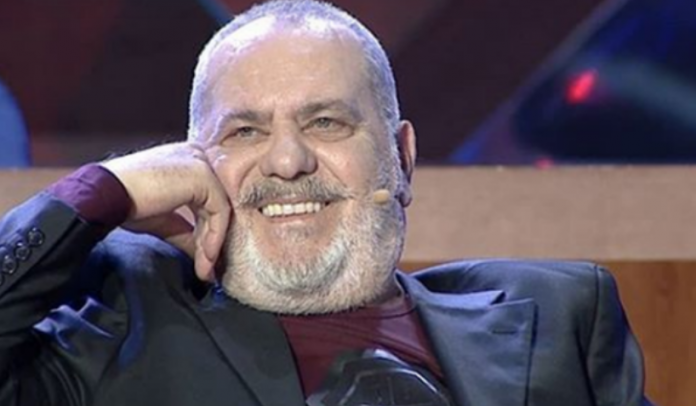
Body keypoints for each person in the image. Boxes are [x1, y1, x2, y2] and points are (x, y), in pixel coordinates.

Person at [0, 1, 654, 405]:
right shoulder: (118, 322)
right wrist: (104, 189)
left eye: (326, 123)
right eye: (244, 132)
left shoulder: (558, 316)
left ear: (401, 158)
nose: (288, 162)